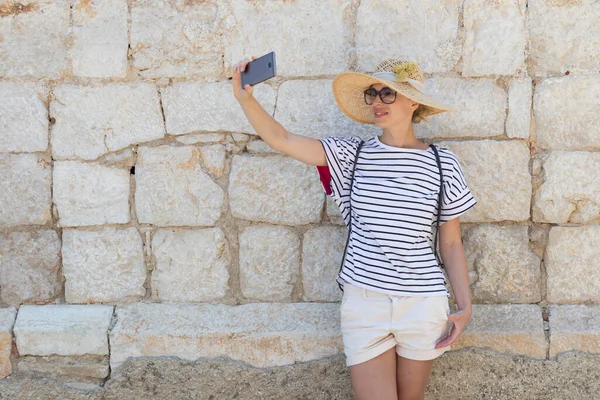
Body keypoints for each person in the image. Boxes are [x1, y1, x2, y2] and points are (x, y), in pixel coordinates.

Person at [233, 56, 476, 400]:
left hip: (423, 303)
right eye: (373, 94)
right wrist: (246, 98)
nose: (377, 102)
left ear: (413, 101)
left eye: (388, 94)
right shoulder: (352, 156)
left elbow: (451, 242)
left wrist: (464, 307)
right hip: (366, 302)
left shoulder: (442, 162)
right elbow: (283, 139)